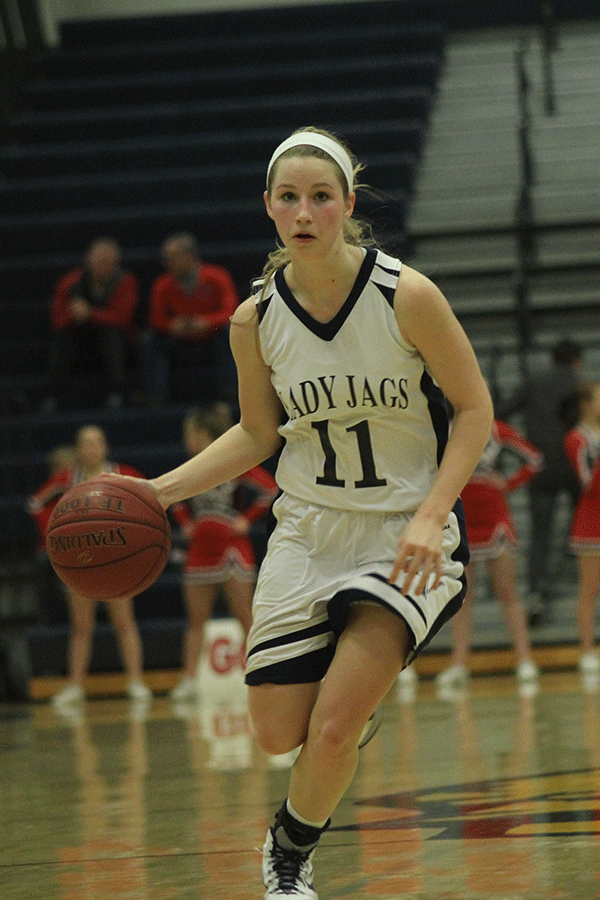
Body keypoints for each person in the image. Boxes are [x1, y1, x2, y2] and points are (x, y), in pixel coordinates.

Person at [109, 127, 493, 899]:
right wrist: (159, 492)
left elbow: (475, 408)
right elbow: (256, 433)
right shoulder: (254, 321)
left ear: (348, 205)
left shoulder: (406, 296)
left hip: (403, 535)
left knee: (331, 728)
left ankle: (289, 855)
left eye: (322, 197)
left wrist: (431, 513)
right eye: (290, 197)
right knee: (278, 735)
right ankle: (345, 729)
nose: (305, 211)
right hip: (309, 531)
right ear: (269, 208)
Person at [27, 425, 153, 708]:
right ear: (78, 449)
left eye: (96, 442)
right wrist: (56, 533)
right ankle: (75, 685)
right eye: (85, 443)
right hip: (80, 563)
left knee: (124, 623)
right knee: (81, 626)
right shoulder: (68, 477)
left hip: (117, 561)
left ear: (105, 447)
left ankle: (135, 681)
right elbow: (35, 503)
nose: (91, 448)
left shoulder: (123, 475)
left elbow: (152, 501)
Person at [169, 404, 278, 702]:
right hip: (199, 550)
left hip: (231, 548)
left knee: (245, 616)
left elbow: (270, 489)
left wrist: (246, 519)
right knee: (196, 620)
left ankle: (262, 673)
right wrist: (185, 523)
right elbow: (174, 498)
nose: (186, 439)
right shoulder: (191, 465)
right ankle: (189, 680)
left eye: (189, 433)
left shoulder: (232, 462)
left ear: (203, 433)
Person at [435, 418, 542, 690]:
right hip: (461, 516)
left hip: (494, 516)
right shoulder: (442, 426)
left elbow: (534, 459)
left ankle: (524, 659)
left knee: (507, 591)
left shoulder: (494, 427)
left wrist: (508, 483)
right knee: (462, 597)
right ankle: (459, 664)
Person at [498, 338, 583, 624]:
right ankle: (574, 557)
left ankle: (536, 595)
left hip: (541, 467)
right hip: (575, 467)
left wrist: (523, 444)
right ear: (576, 361)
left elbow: (501, 414)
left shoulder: (535, 382)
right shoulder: (580, 386)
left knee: (540, 536)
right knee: (586, 523)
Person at [139, 232, 239, 405]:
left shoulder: (217, 276)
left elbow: (231, 311)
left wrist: (207, 322)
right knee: (149, 340)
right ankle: (155, 395)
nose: (168, 263)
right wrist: (172, 325)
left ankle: (230, 391)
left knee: (232, 333)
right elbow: (155, 318)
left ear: (190, 256)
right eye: (167, 258)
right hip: (178, 335)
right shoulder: (163, 283)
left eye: (173, 258)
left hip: (210, 333)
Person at [43, 237, 139, 411]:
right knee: (62, 340)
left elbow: (123, 318)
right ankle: (54, 396)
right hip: (78, 336)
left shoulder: (124, 281)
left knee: (112, 336)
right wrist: (73, 315)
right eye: (102, 262)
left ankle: (116, 394)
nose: (107, 268)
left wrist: (90, 314)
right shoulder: (70, 282)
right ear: (89, 260)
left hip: (111, 338)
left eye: (112, 263)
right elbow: (56, 320)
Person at [563, 381, 600, 677]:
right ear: (587, 404)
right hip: (591, 521)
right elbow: (587, 482)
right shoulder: (576, 439)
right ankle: (587, 650)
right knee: (589, 589)